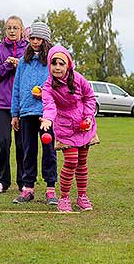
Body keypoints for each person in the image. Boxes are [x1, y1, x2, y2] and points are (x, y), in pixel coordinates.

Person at [40, 45, 99, 212]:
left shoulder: (79, 79)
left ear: (68, 65)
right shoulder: (48, 87)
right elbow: (49, 106)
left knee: (82, 162)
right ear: (49, 65)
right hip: (65, 127)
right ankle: (64, 198)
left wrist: (88, 116)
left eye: (61, 63)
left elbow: (89, 98)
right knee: (71, 161)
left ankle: (82, 197)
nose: (57, 67)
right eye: (54, 63)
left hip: (84, 125)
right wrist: (48, 119)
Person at [11, 22, 58, 205]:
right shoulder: (23, 61)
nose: (35, 41)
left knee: (49, 151)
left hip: (47, 114)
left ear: (46, 39)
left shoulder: (52, 61)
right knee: (28, 151)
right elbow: (16, 88)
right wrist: (15, 113)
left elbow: (59, 85)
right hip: (26, 113)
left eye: (39, 38)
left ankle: (50, 190)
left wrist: (44, 93)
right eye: (32, 38)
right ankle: (28, 189)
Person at [0, 15, 28, 193]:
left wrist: (19, 65)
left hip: (23, 104)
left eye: (16, 28)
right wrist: (7, 64)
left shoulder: (29, 49)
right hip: (3, 104)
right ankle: (2, 180)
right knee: (3, 142)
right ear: (5, 31)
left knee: (22, 144)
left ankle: (24, 182)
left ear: (22, 30)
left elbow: (32, 73)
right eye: (9, 28)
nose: (12, 31)